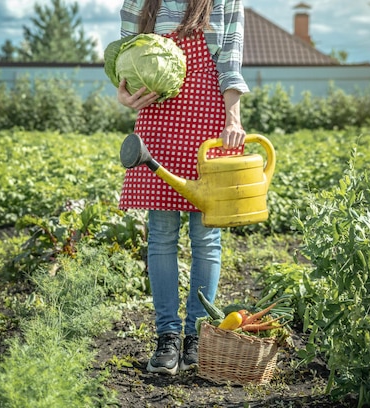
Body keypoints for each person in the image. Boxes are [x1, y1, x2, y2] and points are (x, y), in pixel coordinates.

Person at [116, 0, 249, 375]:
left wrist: (233, 118)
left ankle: (197, 336)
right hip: (157, 119)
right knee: (160, 234)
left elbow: (230, 60)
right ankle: (167, 337)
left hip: (208, 118)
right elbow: (127, 60)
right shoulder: (139, 2)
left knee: (206, 236)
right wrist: (122, 95)